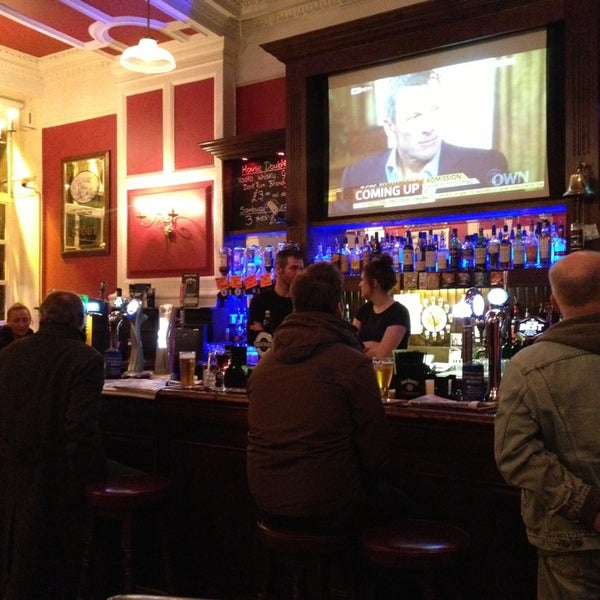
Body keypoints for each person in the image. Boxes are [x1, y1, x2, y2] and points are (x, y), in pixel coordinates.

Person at [247, 261, 414, 533]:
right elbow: (376, 454)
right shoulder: (352, 364)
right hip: (330, 509)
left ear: (295, 305)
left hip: (265, 504)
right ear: (338, 308)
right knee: (410, 505)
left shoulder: (263, 367)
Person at [495, 250, 600, 599]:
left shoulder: (528, 365)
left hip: (571, 539)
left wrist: (588, 506)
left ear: (553, 303)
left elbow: (515, 455)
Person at [0, 290, 108, 599]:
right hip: (58, 476)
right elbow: (80, 430)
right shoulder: (86, 358)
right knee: (131, 473)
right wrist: (92, 477)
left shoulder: (9, 354)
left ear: (42, 316)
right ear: (80, 321)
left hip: (12, 471)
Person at [340, 70, 508, 193]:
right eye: (415, 116)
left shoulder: (485, 166)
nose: (429, 127)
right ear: (390, 126)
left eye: (435, 109)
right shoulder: (356, 177)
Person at [353, 253, 410, 358]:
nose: (360, 284)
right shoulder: (364, 310)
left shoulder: (398, 313)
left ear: (374, 283)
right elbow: (350, 347)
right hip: (365, 368)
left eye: (362, 280)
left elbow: (382, 356)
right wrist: (377, 346)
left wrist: (362, 346)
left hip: (389, 369)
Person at [247, 245, 304, 346]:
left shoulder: (303, 301)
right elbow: (253, 339)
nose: (299, 273)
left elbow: (305, 338)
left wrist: (267, 333)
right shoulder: (260, 301)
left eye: (301, 268)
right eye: (294, 268)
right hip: (270, 357)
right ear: (278, 269)